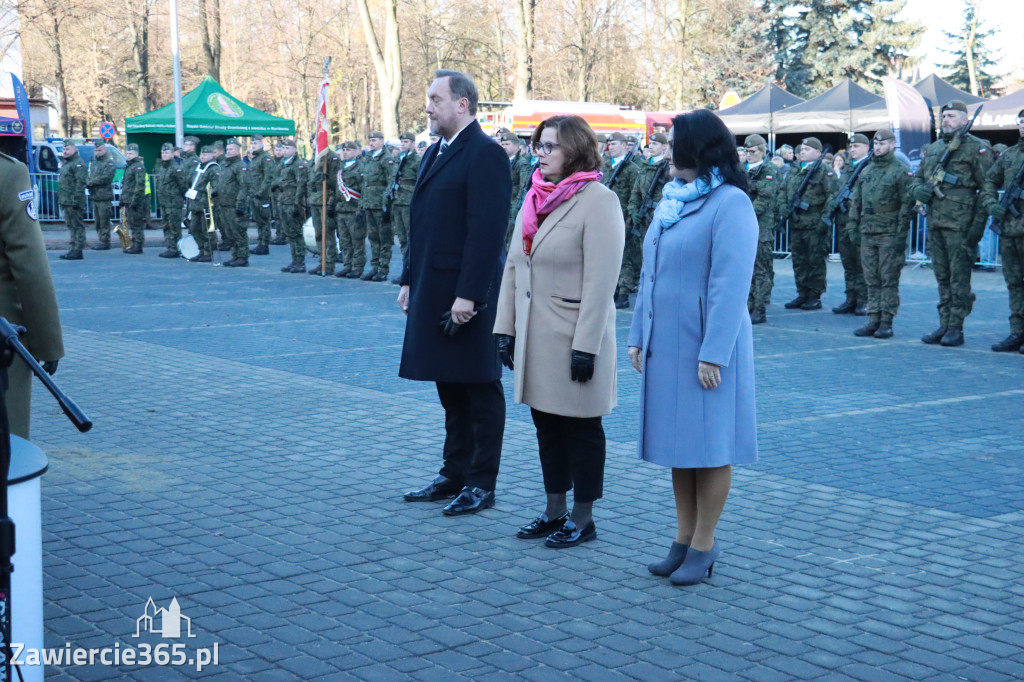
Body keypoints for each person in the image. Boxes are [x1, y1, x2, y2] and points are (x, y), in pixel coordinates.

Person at [627, 110, 758, 586]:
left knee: (710, 444)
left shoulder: (731, 203)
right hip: (668, 341)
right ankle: (682, 539)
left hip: (706, 346)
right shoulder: (673, 200)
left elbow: (730, 283)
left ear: (696, 149)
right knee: (679, 446)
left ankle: (705, 544)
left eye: (672, 144)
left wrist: (714, 352)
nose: (664, 153)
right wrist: (639, 334)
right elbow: (651, 273)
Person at [493, 114, 623, 548]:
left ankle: (584, 518)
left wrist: (586, 346)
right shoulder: (534, 196)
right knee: (546, 427)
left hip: (573, 338)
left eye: (550, 146)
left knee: (582, 430)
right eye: (538, 145)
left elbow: (602, 282)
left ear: (575, 150)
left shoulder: (599, 200)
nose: (540, 153)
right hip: (535, 337)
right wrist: (504, 329)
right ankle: (554, 511)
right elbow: (515, 267)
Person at [398, 70, 512, 516]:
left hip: (467, 294)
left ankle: (482, 482)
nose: (428, 106)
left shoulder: (484, 153)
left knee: (480, 389)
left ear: (462, 104)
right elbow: (421, 223)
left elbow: (485, 233)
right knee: (450, 387)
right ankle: (454, 473)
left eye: (435, 98)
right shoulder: (434, 152)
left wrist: (469, 296)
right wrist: (409, 277)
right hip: (434, 285)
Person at [910, 100, 993, 347]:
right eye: (944, 116)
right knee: (942, 277)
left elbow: (986, 189)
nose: (947, 120)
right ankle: (945, 322)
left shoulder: (977, 148)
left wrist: (977, 226)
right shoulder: (935, 149)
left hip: (961, 224)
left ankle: (956, 326)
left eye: (952, 116)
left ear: (964, 120)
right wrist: (918, 191)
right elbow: (917, 178)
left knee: (959, 279)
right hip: (936, 221)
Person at [1, 151, 64, 439]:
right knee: (8, 449)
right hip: (4, 331)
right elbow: (29, 263)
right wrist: (47, 343)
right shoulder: (8, 172)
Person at [848, 129, 914, 339]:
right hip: (868, 231)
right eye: (875, 144)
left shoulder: (900, 170)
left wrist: (900, 233)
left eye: (882, 144)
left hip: (889, 232)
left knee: (888, 279)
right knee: (871, 278)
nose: (877, 148)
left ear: (892, 145)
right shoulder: (866, 171)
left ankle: (886, 321)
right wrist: (852, 225)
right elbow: (855, 200)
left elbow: (907, 204)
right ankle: (873, 318)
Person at [982, 108, 1024, 353]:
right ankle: (1017, 333)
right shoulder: (1009, 156)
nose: (1022, 126)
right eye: (1021, 122)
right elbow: (989, 180)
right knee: (1014, 283)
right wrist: (991, 204)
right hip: (1010, 230)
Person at [779, 137, 834, 310]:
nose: (802, 151)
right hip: (797, 224)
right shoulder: (795, 170)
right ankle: (802, 293)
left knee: (815, 262)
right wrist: (782, 207)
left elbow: (831, 196)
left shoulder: (824, 170)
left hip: (815, 225)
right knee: (799, 261)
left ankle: (814, 296)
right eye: (802, 149)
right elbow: (783, 190)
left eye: (808, 149)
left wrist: (825, 219)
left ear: (818, 153)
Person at [620, 132, 671, 309]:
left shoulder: (667, 168)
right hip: (642, 221)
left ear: (665, 147)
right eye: (650, 144)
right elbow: (635, 192)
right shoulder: (644, 166)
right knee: (644, 258)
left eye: (656, 144)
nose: (651, 146)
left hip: (659, 219)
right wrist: (633, 210)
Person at [828, 135, 870, 315]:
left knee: (861, 263)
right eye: (851, 146)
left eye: (856, 146)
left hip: (860, 223)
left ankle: (863, 299)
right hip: (844, 222)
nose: (852, 149)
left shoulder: (869, 167)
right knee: (848, 263)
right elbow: (836, 189)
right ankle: (851, 297)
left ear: (867, 148)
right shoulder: (847, 169)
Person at [744, 134, 780, 324]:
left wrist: (743, 213)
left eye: (753, 151)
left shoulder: (769, 170)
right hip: (742, 228)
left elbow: (765, 198)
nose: (749, 155)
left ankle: (759, 307)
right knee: (745, 269)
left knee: (761, 270)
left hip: (760, 227)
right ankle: (748, 304)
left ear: (763, 151)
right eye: (747, 151)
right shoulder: (742, 170)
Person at [360, 130, 394, 281]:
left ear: (382, 141)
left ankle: (383, 269)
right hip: (369, 203)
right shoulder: (368, 157)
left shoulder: (386, 158)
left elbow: (390, 182)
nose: (372, 143)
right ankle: (374, 267)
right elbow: (364, 183)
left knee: (384, 237)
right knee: (373, 237)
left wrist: (386, 204)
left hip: (380, 204)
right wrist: (362, 204)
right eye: (371, 140)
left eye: (375, 140)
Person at [388, 132, 420, 280]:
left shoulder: (416, 160)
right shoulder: (398, 159)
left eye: (407, 141)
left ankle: (412, 272)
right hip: (397, 201)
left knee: (410, 238)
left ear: (413, 143)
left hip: (409, 202)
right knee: (401, 238)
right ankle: (405, 272)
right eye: (402, 142)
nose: (403, 144)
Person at [273, 139, 309, 273]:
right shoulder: (282, 164)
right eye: (283, 148)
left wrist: (298, 203)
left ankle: (300, 261)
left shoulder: (298, 164)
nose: (284, 151)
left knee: (296, 233)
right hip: (283, 200)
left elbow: (301, 185)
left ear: (294, 150)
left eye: (287, 148)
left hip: (293, 202)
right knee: (289, 233)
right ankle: (294, 260)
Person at [214, 139, 250, 267]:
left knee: (238, 231)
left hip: (234, 205)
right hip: (224, 204)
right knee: (230, 232)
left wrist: (240, 205)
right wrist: (215, 192)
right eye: (227, 149)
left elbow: (244, 186)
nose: (229, 152)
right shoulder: (225, 165)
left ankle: (243, 256)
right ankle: (235, 254)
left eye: (231, 149)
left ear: (237, 150)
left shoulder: (240, 166)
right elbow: (221, 183)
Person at [306, 146, 341, 275]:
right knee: (319, 234)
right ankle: (322, 261)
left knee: (327, 234)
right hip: (315, 200)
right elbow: (310, 181)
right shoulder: (315, 157)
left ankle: (329, 263)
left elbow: (336, 182)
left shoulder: (331, 157)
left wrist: (332, 202)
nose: (314, 143)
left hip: (326, 200)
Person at [334, 141, 366, 279]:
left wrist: (361, 209)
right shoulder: (340, 168)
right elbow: (337, 190)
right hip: (341, 209)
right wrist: (332, 204)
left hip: (354, 209)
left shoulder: (360, 167)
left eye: (348, 150)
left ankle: (357, 267)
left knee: (356, 240)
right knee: (344, 240)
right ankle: (348, 265)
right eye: (344, 150)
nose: (345, 152)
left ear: (356, 152)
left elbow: (364, 190)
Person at [184, 145, 220, 262]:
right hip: (194, 204)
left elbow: (215, 187)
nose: (202, 157)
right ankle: (201, 250)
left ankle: (208, 252)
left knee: (207, 230)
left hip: (205, 205)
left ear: (211, 156)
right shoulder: (198, 167)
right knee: (194, 228)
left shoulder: (213, 168)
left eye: (205, 155)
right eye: (201, 155)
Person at [57, 139, 87, 261]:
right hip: (66, 200)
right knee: (71, 226)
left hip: (74, 201)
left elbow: (80, 184)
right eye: (64, 149)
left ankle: (78, 249)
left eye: (68, 149)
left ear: (74, 149)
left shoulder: (78, 164)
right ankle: (73, 248)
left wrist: (76, 200)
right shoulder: (67, 163)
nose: (65, 151)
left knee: (77, 226)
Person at [155, 142, 185, 258]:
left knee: (174, 227)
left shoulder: (175, 168)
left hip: (173, 203)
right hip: (164, 203)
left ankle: (175, 248)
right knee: (167, 226)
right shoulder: (163, 168)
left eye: (167, 152)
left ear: (172, 154)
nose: (164, 155)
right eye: (163, 153)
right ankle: (170, 247)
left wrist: (179, 198)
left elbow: (182, 185)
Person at [86, 139, 116, 251]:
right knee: (98, 221)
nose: (97, 152)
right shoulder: (94, 163)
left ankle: (105, 241)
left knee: (104, 221)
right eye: (96, 150)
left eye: (99, 150)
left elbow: (106, 177)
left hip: (104, 196)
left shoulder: (109, 163)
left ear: (105, 150)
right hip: (95, 196)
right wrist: (88, 181)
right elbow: (90, 175)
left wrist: (91, 182)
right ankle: (101, 239)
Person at [247, 134, 274, 255]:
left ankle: (264, 244)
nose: (253, 146)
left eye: (256, 143)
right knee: (258, 220)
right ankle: (260, 242)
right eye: (252, 144)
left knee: (264, 220)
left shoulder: (265, 158)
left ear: (262, 144)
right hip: (253, 193)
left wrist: (261, 192)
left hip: (262, 195)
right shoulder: (255, 158)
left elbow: (268, 177)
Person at [120, 143, 148, 254]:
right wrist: (122, 199)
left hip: (135, 200)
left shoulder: (138, 166)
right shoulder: (129, 166)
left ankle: (138, 245)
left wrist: (135, 201)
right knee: (132, 223)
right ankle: (134, 243)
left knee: (137, 224)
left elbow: (139, 185)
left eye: (130, 153)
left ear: (136, 154)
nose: (128, 155)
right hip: (128, 199)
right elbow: (126, 185)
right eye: (127, 153)